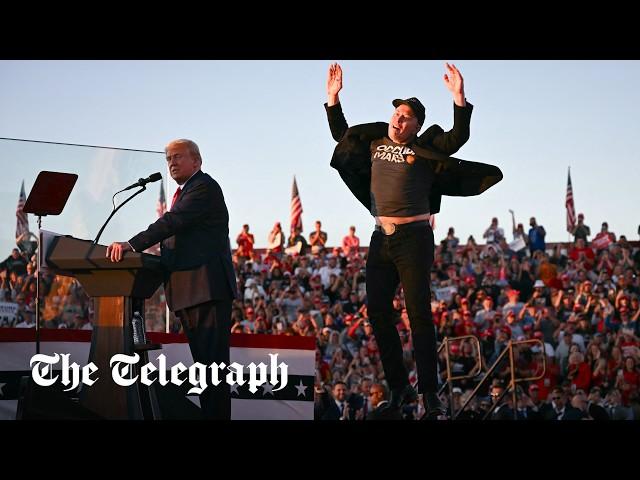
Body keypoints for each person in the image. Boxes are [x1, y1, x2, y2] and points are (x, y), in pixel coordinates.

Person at [325, 62, 502, 419]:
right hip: (381, 238)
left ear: (416, 125)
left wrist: (459, 98)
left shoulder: (424, 147)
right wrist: (333, 98)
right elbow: (341, 136)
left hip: (414, 237)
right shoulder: (374, 142)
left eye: (406, 116)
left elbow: (456, 139)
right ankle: (399, 387)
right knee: (376, 312)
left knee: (418, 315)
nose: (398, 119)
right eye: (396, 113)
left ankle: (429, 394)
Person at [106, 138, 238, 420]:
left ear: (197, 161)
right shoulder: (186, 191)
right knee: (206, 370)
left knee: (212, 370)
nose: (172, 163)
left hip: (206, 290)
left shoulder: (203, 187)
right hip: (191, 292)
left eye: (178, 157)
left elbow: (172, 222)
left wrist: (133, 244)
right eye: (168, 159)